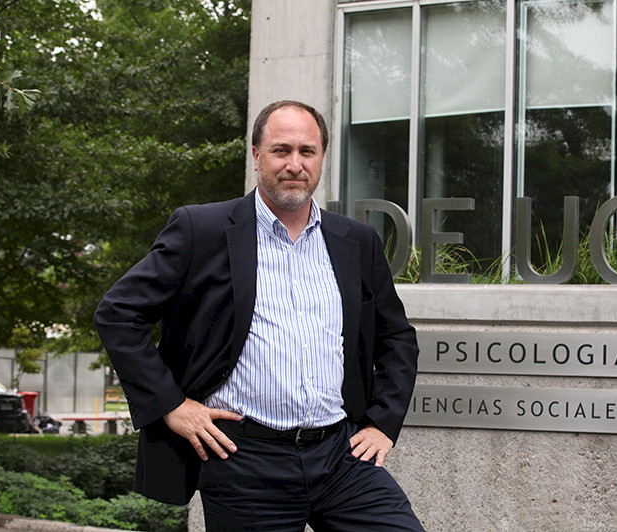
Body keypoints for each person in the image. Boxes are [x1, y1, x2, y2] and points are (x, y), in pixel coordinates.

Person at [94, 100, 423, 531]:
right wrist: (170, 404)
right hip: (243, 463)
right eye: (280, 150)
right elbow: (118, 313)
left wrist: (382, 423)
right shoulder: (201, 230)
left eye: (307, 151)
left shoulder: (356, 241)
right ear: (256, 156)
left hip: (341, 458)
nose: (294, 164)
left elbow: (396, 338)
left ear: (322, 158)